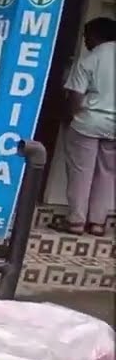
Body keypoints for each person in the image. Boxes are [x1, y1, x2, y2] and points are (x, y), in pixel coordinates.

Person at [62, 16, 116, 236]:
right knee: (107, 173)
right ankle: (97, 223)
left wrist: (70, 117)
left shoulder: (90, 59)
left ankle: (76, 221)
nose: (85, 41)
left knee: (81, 171)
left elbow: (75, 95)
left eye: (86, 36)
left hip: (88, 122)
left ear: (97, 36)